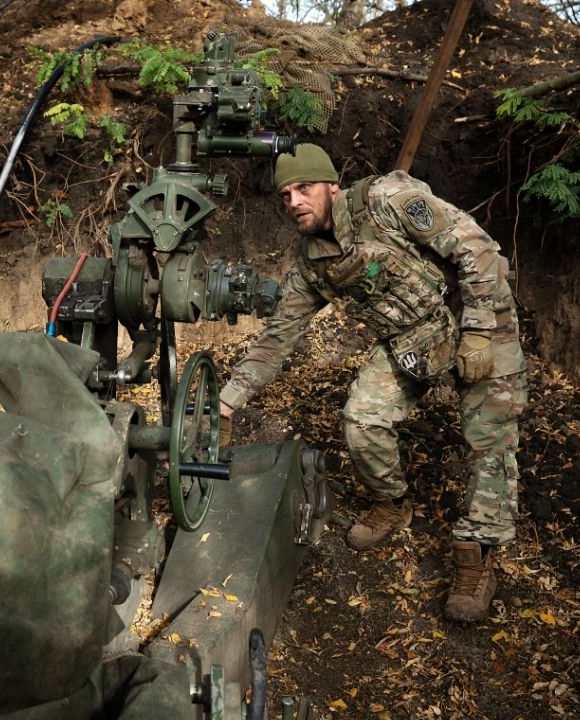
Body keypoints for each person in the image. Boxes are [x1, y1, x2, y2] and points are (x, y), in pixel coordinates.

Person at [218, 144, 527, 622]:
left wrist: (482, 331)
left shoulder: (389, 200)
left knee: (489, 440)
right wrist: (229, 400)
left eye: (304, 188)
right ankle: (391, 502)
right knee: (362, 418)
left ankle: (476, 557)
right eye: (285, 195)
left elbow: (479, 250)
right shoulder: (312, 261)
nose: (295, 201)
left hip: (477, 317)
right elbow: (280, 335)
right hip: (413, 338)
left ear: (331, 186)